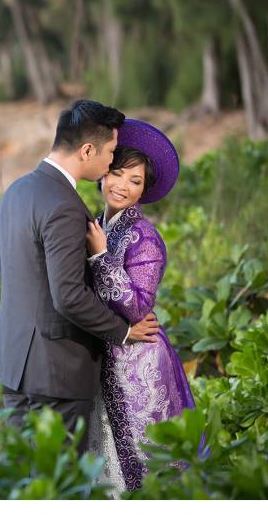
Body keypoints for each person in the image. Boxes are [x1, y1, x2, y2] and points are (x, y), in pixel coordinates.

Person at [0, 100, 160, 453]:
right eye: (111, 153)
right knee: (62, 486)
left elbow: (16, 275)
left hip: (13, 366)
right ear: (87, 150)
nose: (110, 162)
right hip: (58, 374)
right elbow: (67, 295)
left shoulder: (17, 191)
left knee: (21, 480)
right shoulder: (65, 207)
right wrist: (123, 332)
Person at [84, 118, 197, 495]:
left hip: (140, 360)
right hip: (112, 351)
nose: (123, 187)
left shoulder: (144, 237)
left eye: (136, 182)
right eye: (118, 174)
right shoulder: (101, 223)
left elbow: (137, 307)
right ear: (103, 174)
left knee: (145, 466)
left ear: (144, 191)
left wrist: (101, 257)